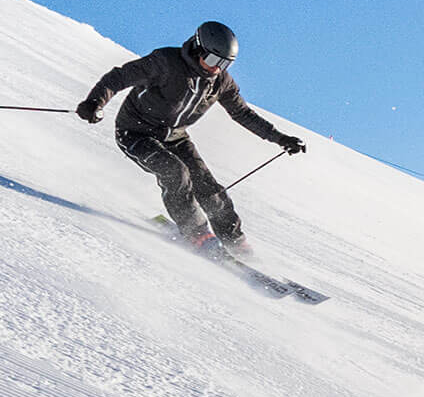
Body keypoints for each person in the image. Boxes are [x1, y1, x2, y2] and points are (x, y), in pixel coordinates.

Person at [76, 22, 306, 250]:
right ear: (198, 49)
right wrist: (95, 102)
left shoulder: (221, 82)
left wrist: (280, 138)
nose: (217, 68)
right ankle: (196, 233)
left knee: (209, 187)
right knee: (175, 172)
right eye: (214, 60)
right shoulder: (166, 62)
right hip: (135, 132)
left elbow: (242, 113)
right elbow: (120, 77)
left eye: (225, 64)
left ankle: (234, 241)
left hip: (175, 137)